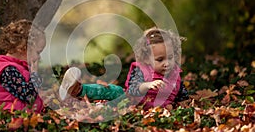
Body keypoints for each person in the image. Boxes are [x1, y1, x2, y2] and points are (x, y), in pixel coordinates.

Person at [59, 26, 188, 110]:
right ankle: (77, 90)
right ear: (146, 58)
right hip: (132, 102)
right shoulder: (143, 71)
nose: (167, 63)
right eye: (160, 60)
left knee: (104, 107)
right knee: (113, 91)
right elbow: (133, 89)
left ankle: (96, 107)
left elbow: (181, 94)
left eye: (170, 57)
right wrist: (147, 85)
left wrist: (183, 105)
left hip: (158, 109)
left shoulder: (175, 75)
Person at [0, 19, 45, 113]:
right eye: (38, 52)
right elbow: (29, 96)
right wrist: (34, 75)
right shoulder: (8, 70)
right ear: (23, 48)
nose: (39, 57)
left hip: (26, 117)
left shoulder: (20, 67)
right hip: (12, 118)